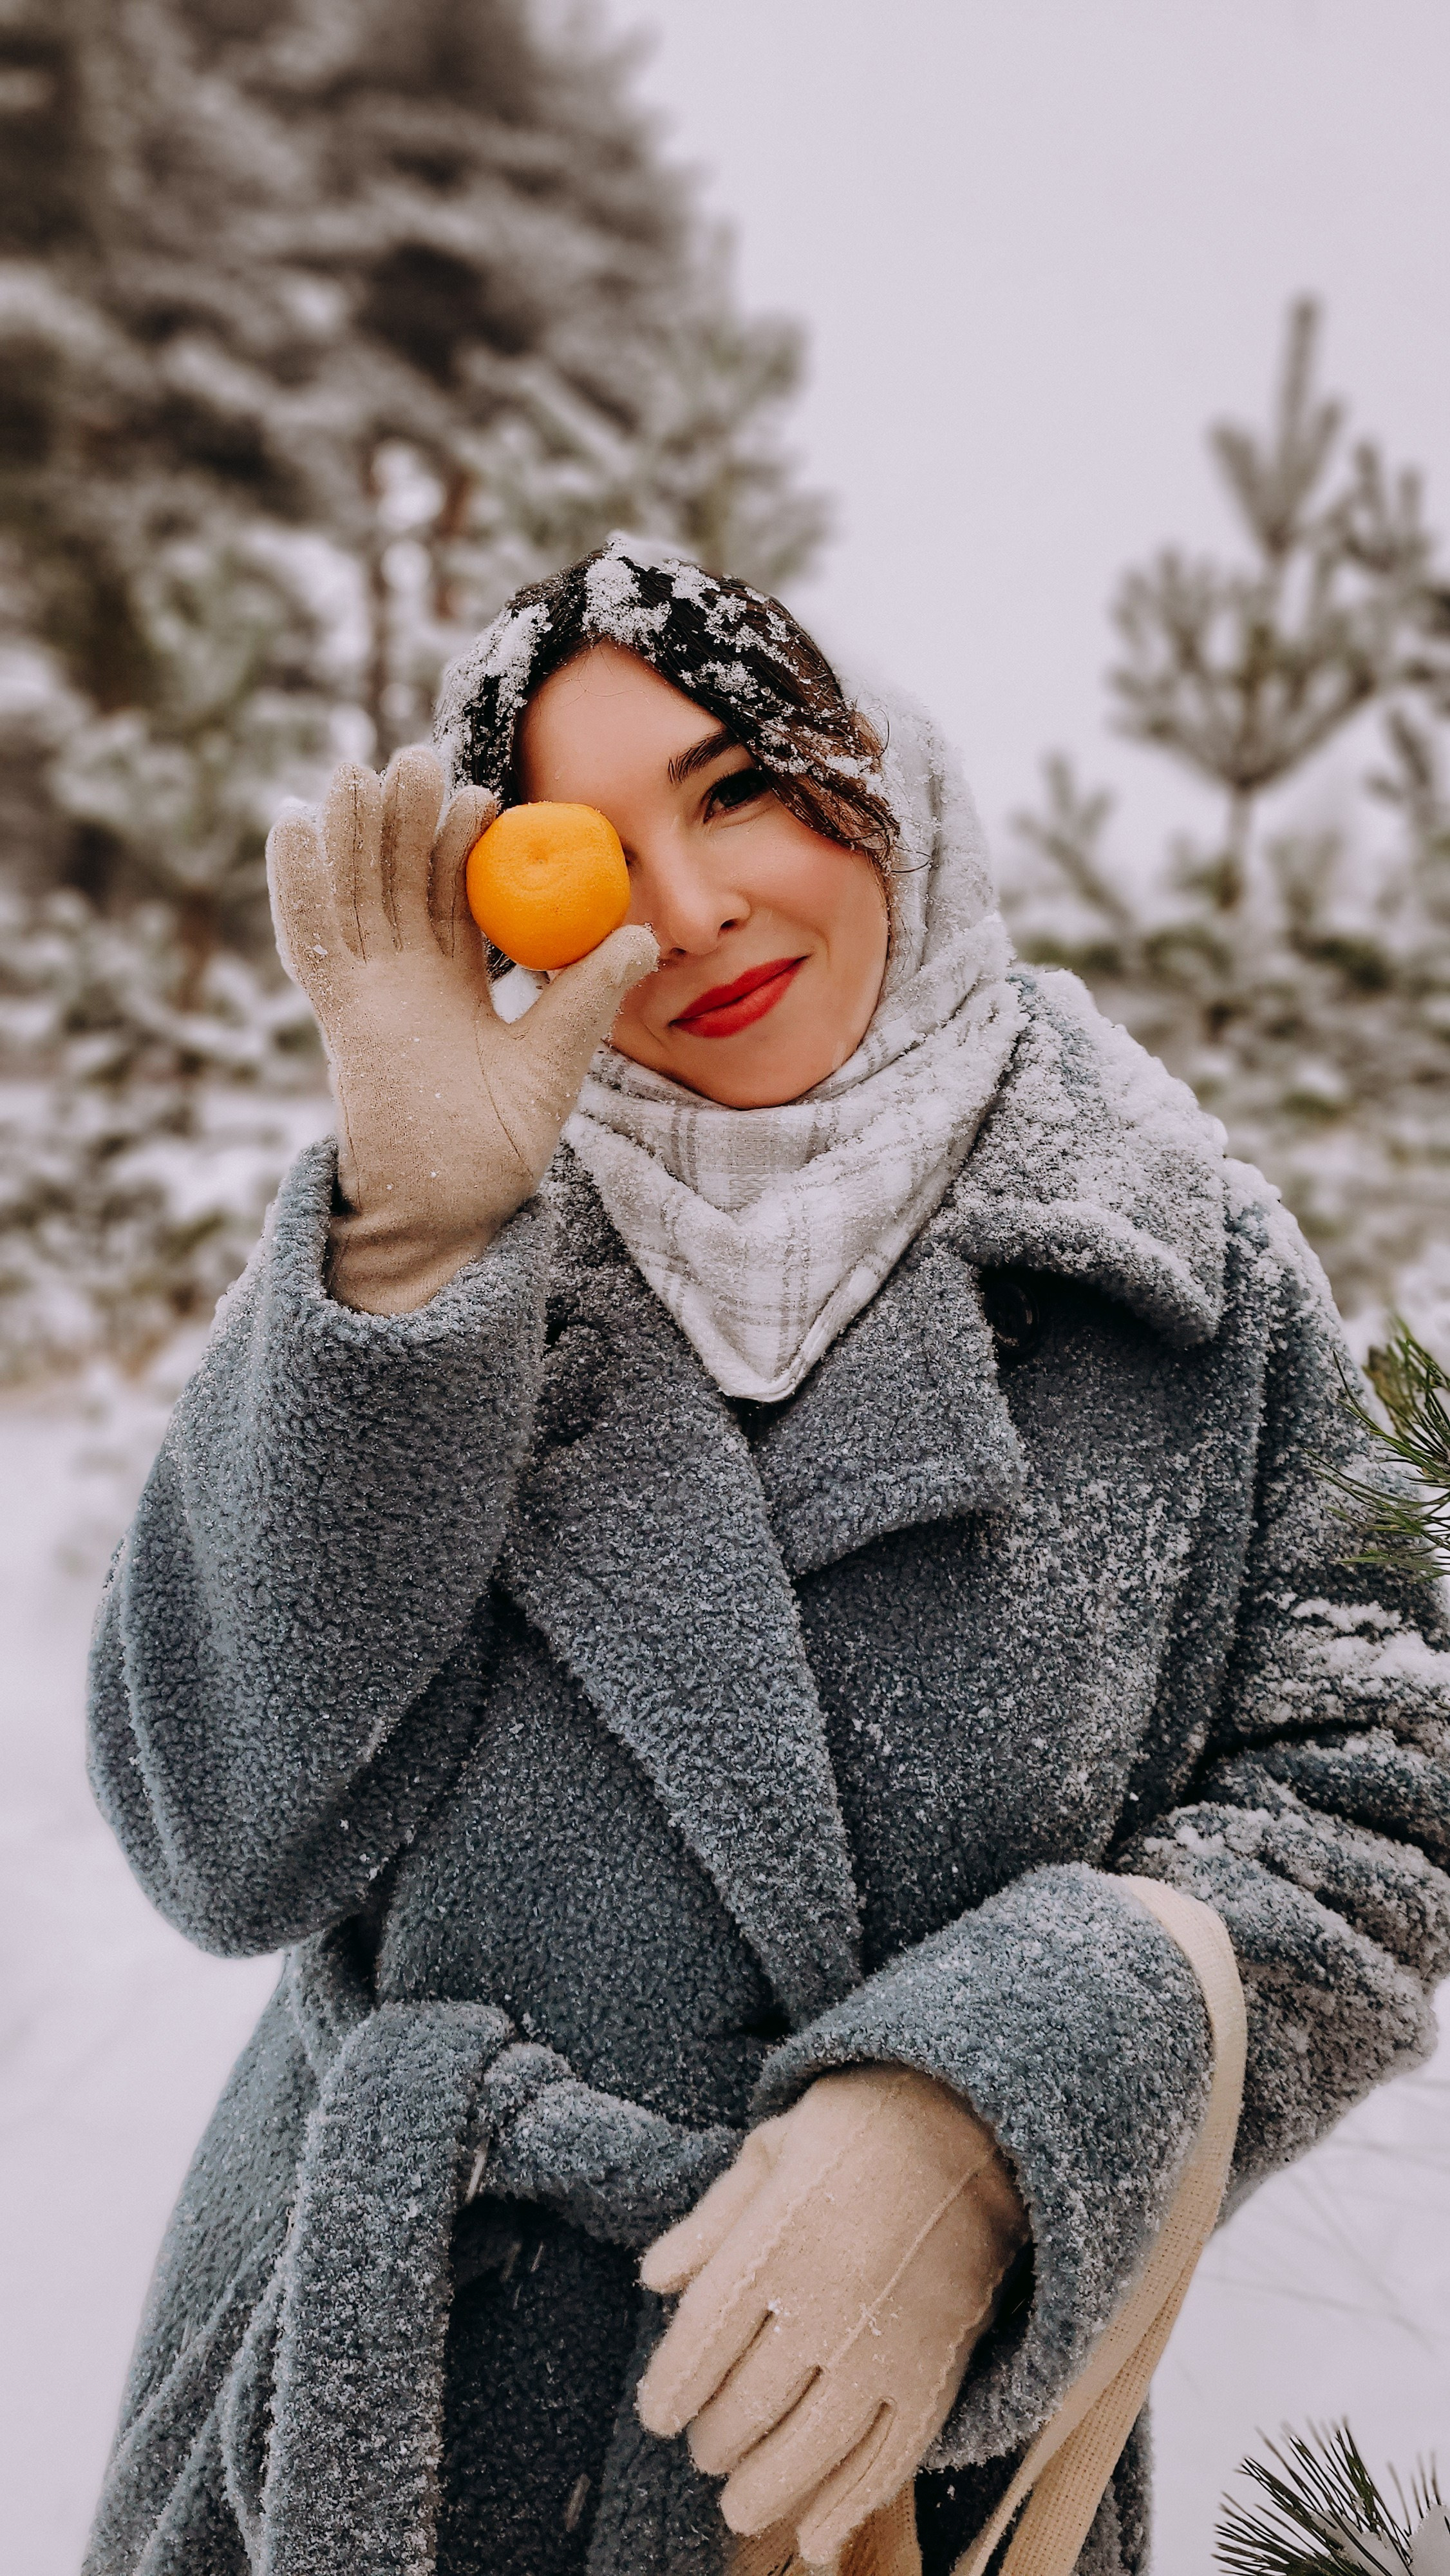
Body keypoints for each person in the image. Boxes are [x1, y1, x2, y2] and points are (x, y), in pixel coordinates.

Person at [85, 534, 1450, 2576]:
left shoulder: (1172, 1264)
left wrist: (985, 2119)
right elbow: (217, 1837)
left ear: (872, 773)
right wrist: (413, 1252)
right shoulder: (453, 1226)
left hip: (890, 2454)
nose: (693, 908)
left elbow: (1386, 1780)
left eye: (735, 790)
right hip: (390, 2436)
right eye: (585, 850)